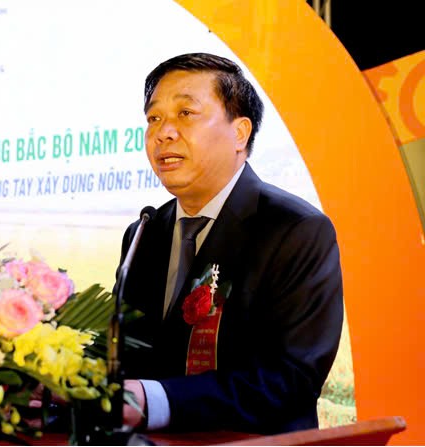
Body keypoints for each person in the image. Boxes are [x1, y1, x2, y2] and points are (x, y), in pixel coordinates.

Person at [117, 53, 344, 435]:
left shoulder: (296, 230)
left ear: (240, 133)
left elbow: (290, 380)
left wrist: (153, 400)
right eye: (153, 118)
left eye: (185, 113)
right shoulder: (144, 231)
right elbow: (127, 350)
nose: (163, 132)